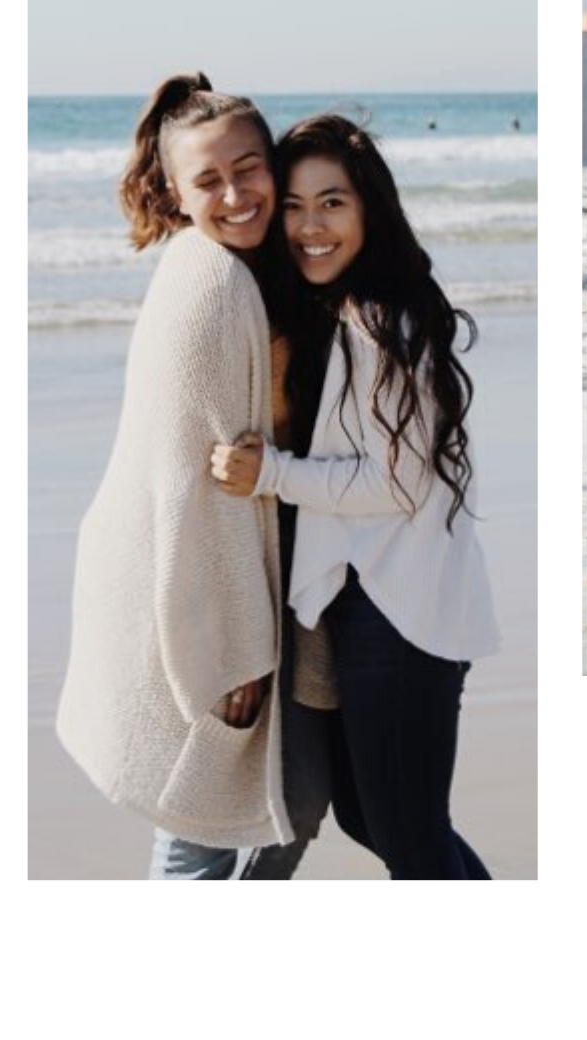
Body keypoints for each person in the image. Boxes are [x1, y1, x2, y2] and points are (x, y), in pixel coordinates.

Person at [56, 73, 332, 879]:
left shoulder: (249, 270)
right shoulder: (210, 284)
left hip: (233, 572)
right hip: (205, 598)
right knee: (212, 824)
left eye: (249, 168)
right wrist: (228, 653)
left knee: (273, 808)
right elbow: (192, 489)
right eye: (208, 180)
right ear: (175, 192)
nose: (236, 193)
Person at [210, 114, 498, 878]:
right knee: (373, 818)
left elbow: (395, 482)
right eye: (297, 206)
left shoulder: (381, 319)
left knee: (405, 831)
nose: (310, 226)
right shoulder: (344, 310)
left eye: (332, 203)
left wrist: (268, 471)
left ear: (371, 209)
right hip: (375, 599)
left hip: (402, 612)